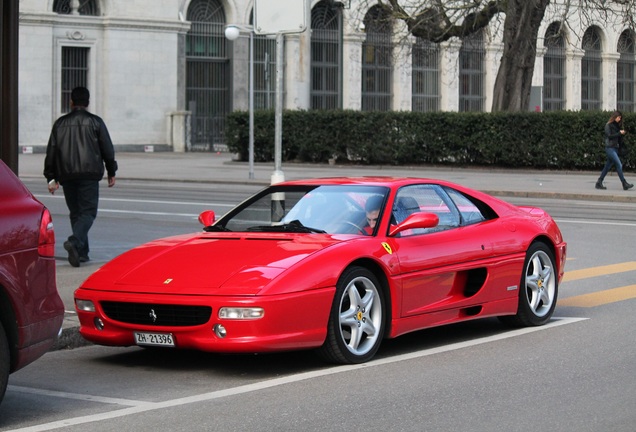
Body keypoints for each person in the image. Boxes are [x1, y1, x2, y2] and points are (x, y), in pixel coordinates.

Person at [44, 87, 118, 267]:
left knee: (76, 213)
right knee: (88, 213)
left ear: (71, 102)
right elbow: (107, 148)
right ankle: (75, 241)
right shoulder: (96, 122)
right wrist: (111, 170)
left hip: (67, 175)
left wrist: (51, 178)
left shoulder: (60, 124)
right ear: (88, 102)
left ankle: (81, 253)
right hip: (89, 174)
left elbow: (51, 152)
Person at [596, 110, 633, 191]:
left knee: (607, 166)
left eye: (620, 118)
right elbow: (609, 136)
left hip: (615, 148)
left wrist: (621, 134)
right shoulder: (608, 125)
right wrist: (619, 133)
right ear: (615, 117)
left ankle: (599, 182)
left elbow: (618, 137)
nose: (619, 119)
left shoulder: (616, 126)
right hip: (610, 148)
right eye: (618, 117)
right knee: (619, 164)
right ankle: (624, 183)